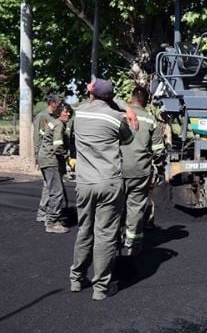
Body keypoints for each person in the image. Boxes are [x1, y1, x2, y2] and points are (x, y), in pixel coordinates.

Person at [69, 78, 136, 301]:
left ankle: (77, 279)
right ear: (110, 97)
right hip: (109, 182)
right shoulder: (116, 118)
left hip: (85, 183)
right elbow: (128, 138)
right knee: (105, 235)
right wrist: (122, 105)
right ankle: (100, 288)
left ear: (91, 93)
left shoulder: (78, 114)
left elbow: (92, 98)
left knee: (84, 230)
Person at [120, 86, 166, 256]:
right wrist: (158, 167)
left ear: (131, 99)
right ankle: (133, 244)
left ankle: (115, 239)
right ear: (146, 101)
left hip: (117, 170)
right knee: (136, 208)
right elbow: (159, 151)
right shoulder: (151, 120)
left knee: (115, 206)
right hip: (140, 171)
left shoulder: (119, 116)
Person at [38, 103, 73, 234]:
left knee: (49, 188)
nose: (68, 114)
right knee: (56, 192)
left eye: (69, 112)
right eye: (65, 112)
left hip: (45, 158)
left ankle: (45, 216)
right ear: (59, 112)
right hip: (51, 160)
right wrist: (65, 156)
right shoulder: (59, 124)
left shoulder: (53, 122)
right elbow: (58, 145)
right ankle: (52, 223)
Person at [35, 94, 63, 223]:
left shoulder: (54, 118)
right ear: (52, 103)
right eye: (58, 103)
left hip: (53, 156)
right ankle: (43, 213)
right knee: (49, 187)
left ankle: (44, 212)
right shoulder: (42, 116)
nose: (60, 105)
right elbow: (37, 137)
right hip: (46, 155)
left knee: (48, 186)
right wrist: (37, 155)